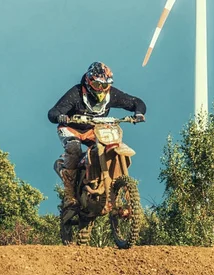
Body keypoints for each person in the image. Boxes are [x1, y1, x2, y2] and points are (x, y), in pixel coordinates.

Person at [48, 61, 147, 217]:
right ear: (88, 82)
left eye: (104, 85)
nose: (100, 89)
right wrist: (61, 116)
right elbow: (53, 112)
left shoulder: (111, 95)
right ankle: (69, 196)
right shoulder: (76, 93)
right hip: (71, 128)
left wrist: (139, 113)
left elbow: (136, 102)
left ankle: (106, 182)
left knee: (109, 145)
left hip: (94, 129)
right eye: (96, 84)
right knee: (73, 148)